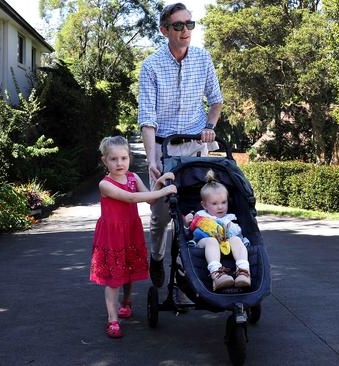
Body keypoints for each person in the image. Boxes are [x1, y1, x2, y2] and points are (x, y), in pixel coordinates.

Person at [138, 2, 224, 288]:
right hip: (165, 149)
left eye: (189, 24)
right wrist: (152, 159)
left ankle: (194, 266)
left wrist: (209, 127)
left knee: (199, 210)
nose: (185, 30)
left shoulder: (203, 58)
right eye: (178, 25)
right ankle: (157, 256)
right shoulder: (151, 65)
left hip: (197, 148)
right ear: (165, 30)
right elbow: (147, 119)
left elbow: (216, 100)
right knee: (161, 214)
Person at [89, 136, 177, 338]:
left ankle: (126, 302)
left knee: (127, 270)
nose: (119, 163)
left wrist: (159, 184)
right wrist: (162, 190)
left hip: (130, 231)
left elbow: (149, 200)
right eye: (113, 159)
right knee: (113, 278)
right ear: (105, 161)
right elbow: (130, 198)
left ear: (129, 158)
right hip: (112, 234)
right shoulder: (106, 184)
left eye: (123, 158)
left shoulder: (133, 178)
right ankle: (112, 319)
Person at [183, 169, 251, 291]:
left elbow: (237, 232)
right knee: (211, 241)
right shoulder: (200, 215)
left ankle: (243, 271)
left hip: (226, 241)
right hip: (204, 242)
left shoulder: (230, 218)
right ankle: (216, 274)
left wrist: (226, 225)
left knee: (236, 239)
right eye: (214, 204)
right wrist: (186, 223)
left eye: (224, 202)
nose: (220, 207)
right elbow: (188, 232)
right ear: (204, 205)